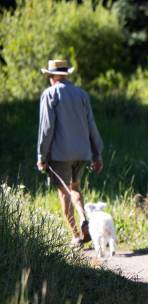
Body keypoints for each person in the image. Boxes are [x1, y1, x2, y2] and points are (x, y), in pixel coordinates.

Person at [37, 59, 104, 247]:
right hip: (82, 153)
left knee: (65, 193)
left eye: (49, 76)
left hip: (60, 154)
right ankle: (84, 217)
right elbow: (91, 125)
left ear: (53, 77)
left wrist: (41, 156)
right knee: (75, 188)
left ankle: (76, 236)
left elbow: (46, 128)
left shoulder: (49, 94)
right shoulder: (81, 94)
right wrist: (97, 154)